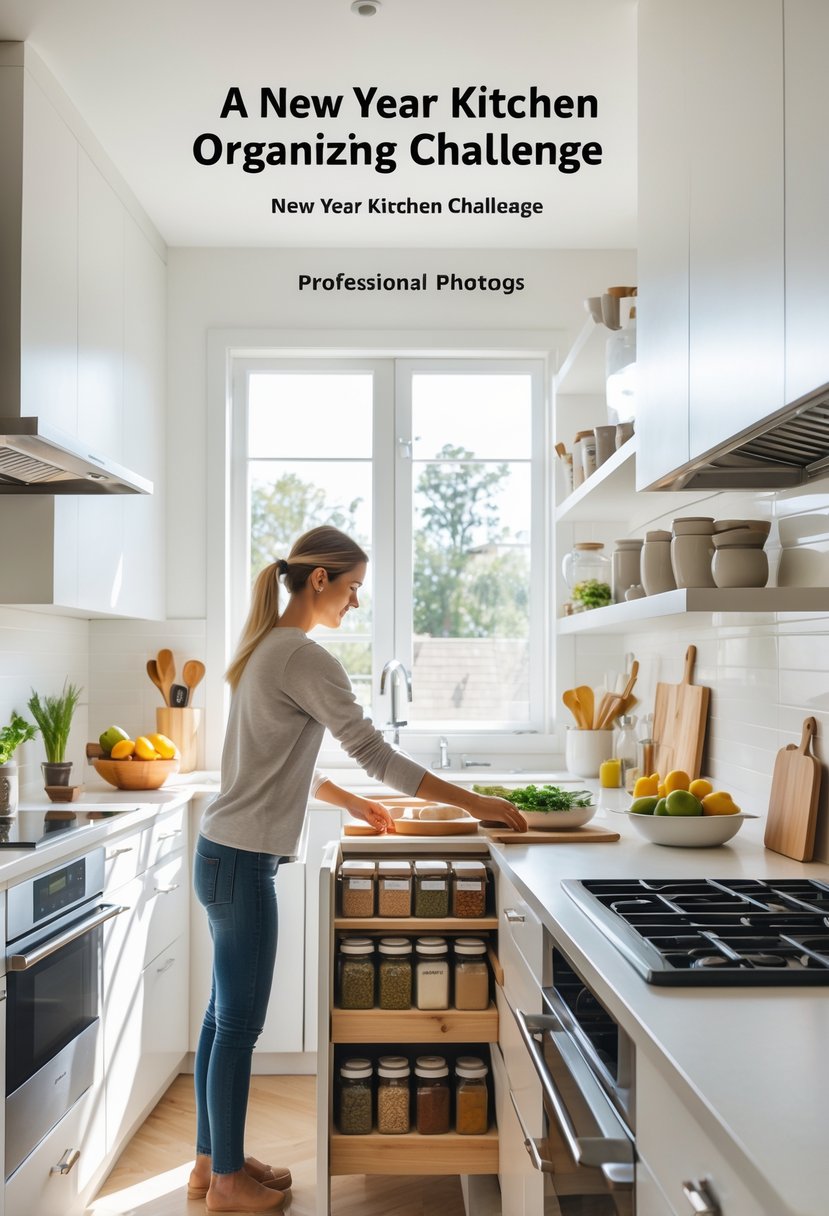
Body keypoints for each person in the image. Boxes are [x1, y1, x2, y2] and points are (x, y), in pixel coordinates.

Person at [189, 525, 527, 1213]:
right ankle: (226, 1182)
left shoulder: (266, 649)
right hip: (242, 862)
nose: (354, 604)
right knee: (238, 1024)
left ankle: (209, 1163)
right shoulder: (303, 656)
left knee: (220, 1018)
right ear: (320, 580)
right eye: (352, 589)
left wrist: (345, 799)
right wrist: (476, 801)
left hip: (222, 853)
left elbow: (270, 762)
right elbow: (377, 754)